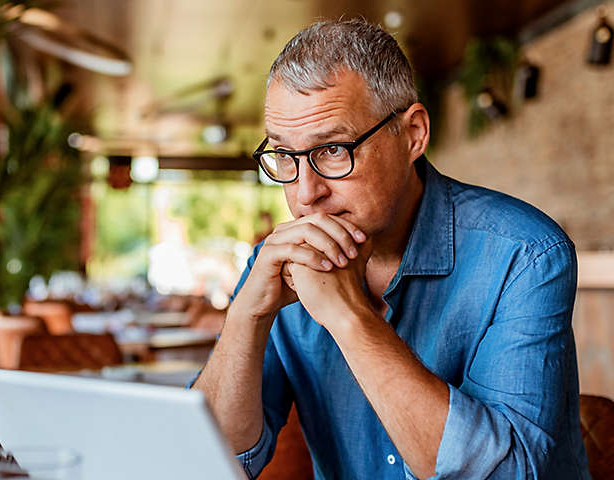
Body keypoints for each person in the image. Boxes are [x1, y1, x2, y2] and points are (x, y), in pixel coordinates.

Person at [192, 19, 590, 480]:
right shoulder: (278, 265)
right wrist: (246, 315)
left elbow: (508, 474)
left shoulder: (524, 254)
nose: (305, 194)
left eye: (334, 150)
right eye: (284, 155)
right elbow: (209, 463)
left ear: (413, 134)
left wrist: (349, 317)